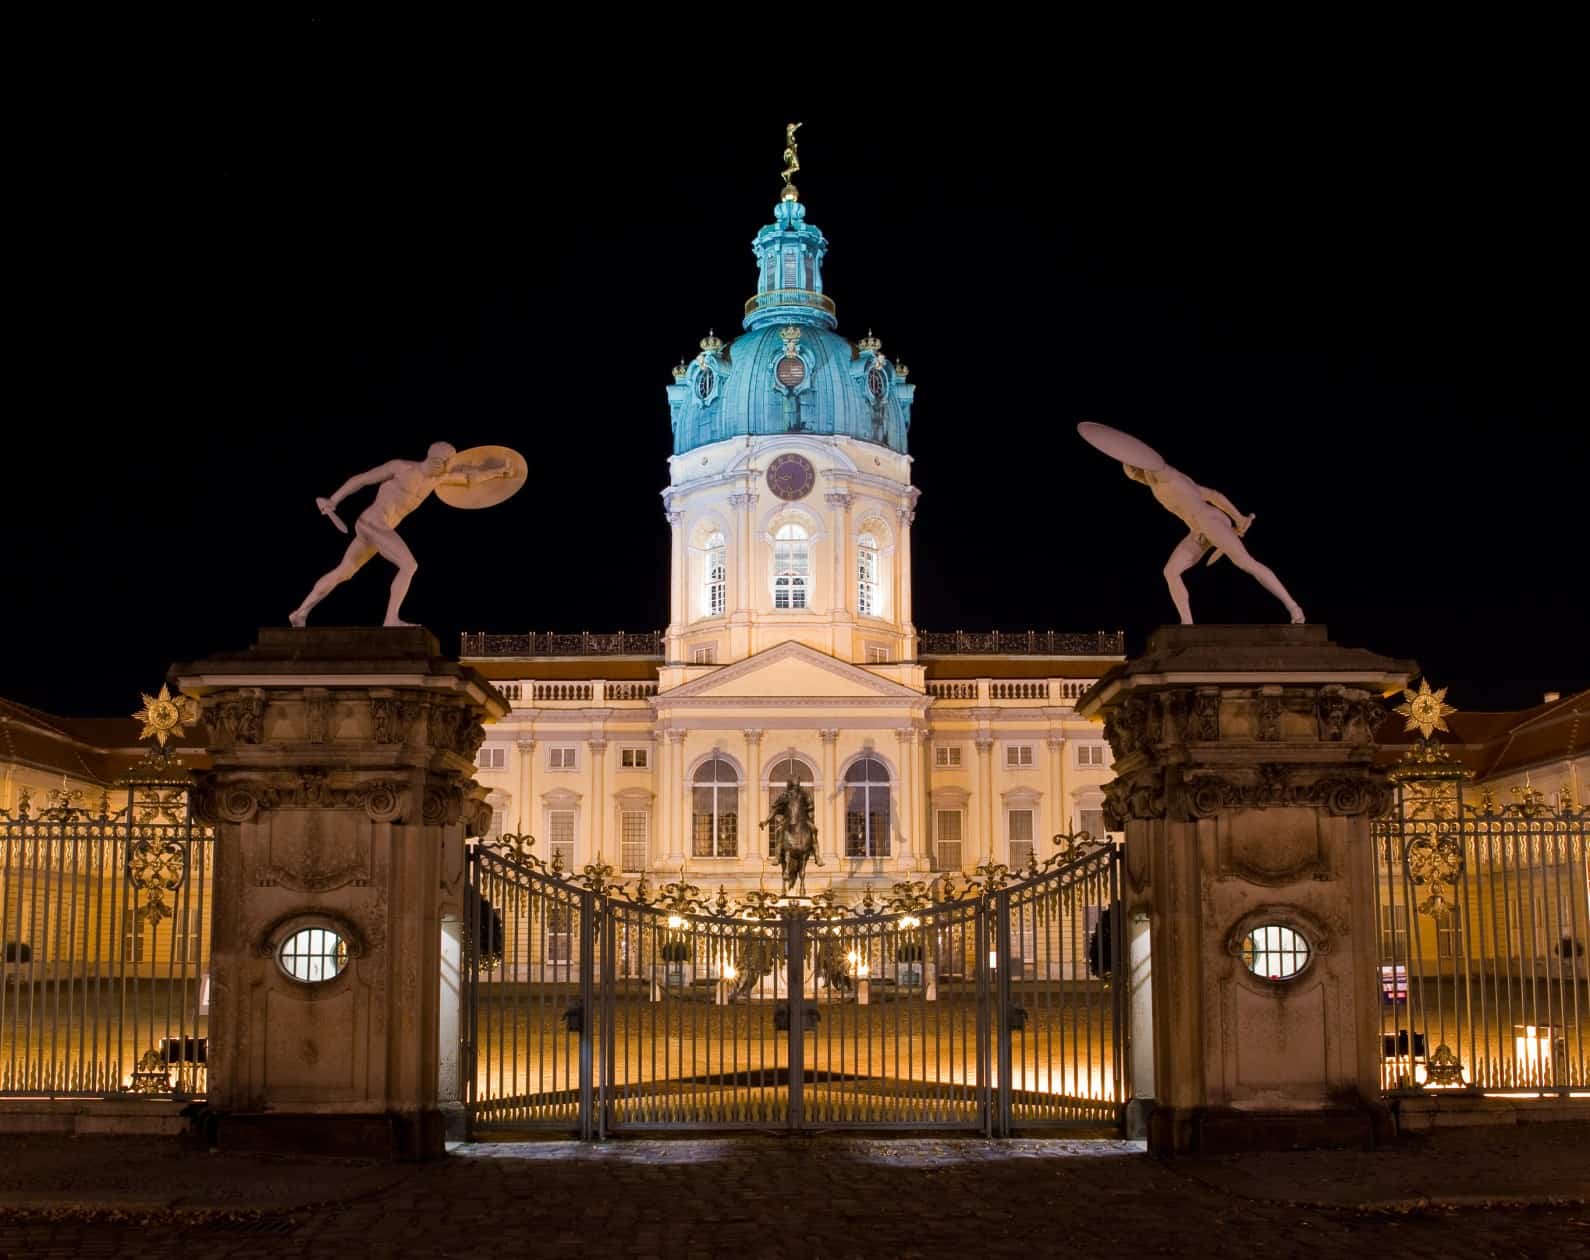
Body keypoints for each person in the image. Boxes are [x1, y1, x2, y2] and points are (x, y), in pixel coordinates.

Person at [289, 442, 509, 628]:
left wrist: (499, 471)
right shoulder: (401, 467)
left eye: (447, 464)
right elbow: (362, 479)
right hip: (373, 523)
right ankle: (391, 619)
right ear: (434, 459)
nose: (445, 468)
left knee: (343, 572)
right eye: (444, 462)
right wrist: (334, 499)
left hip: (377, 530)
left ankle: (300, 613)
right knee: (409, 565)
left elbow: (469, 476)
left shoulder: (436, 479)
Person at [1122, 460, 1305, 625]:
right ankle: (1187, 623)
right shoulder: (1158, 488)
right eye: (1133, 474)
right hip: (1198, 530)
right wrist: (1237, 516)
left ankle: (1294, 607)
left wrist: (1238, 517)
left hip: (1209, 520)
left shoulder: (1168, 475)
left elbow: (1210, 495)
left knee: (1246, 562)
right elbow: (1212, 494)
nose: (1136, 476)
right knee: (1170, 571)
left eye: (1135, 470)